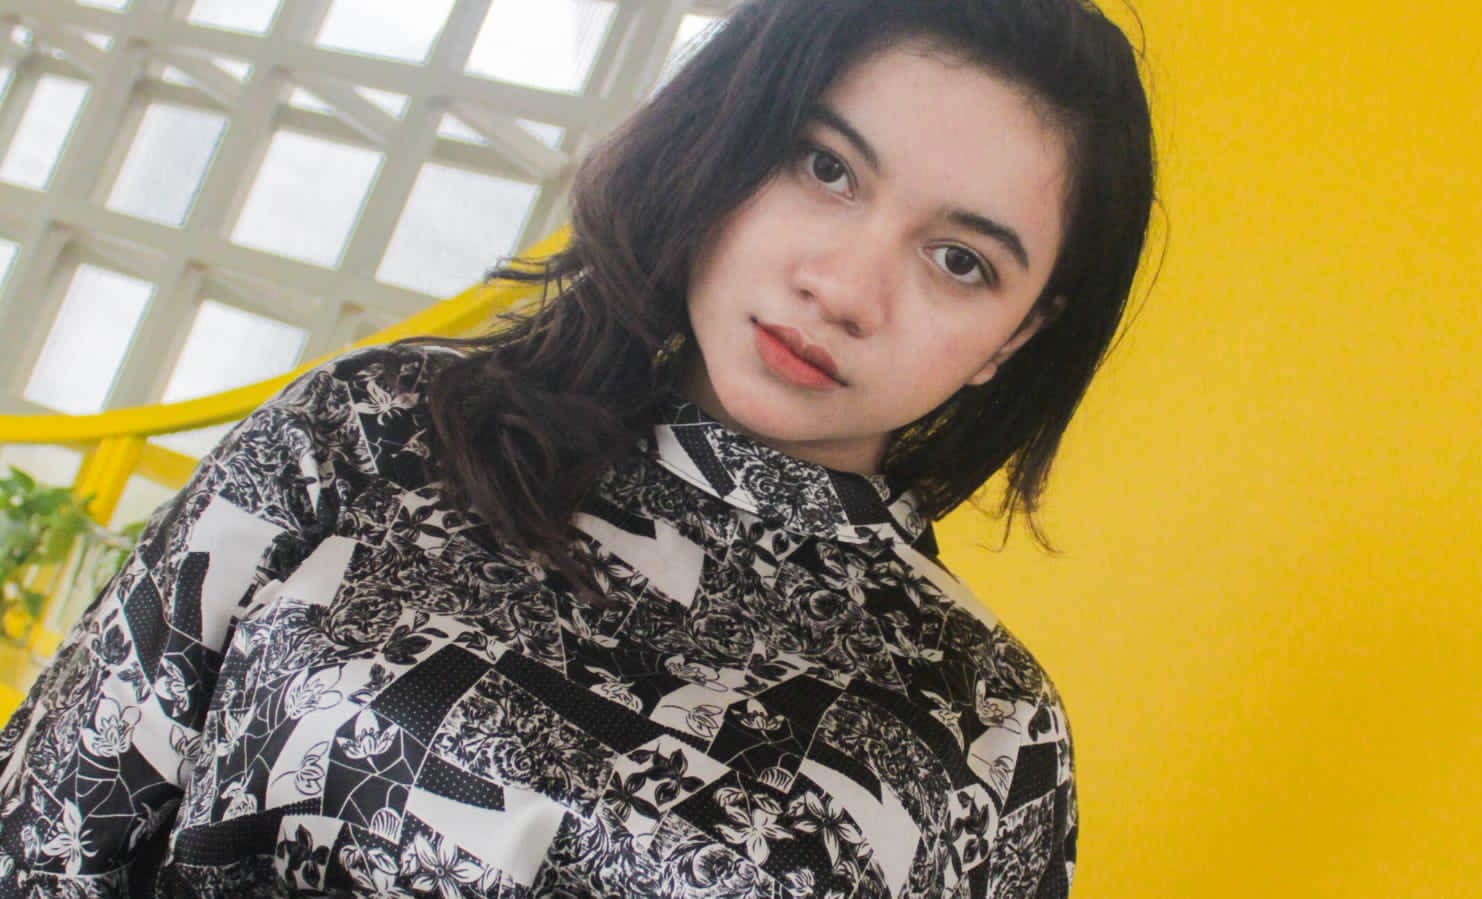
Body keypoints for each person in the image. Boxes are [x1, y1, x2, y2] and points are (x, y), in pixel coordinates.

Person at [0, 0, 1154, 894]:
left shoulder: (987, 730)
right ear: (733, 131)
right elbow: (45, 827)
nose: (845, 288)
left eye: (959, 260)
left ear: (1018, 335)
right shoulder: (373, 429)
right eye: (825, 166)